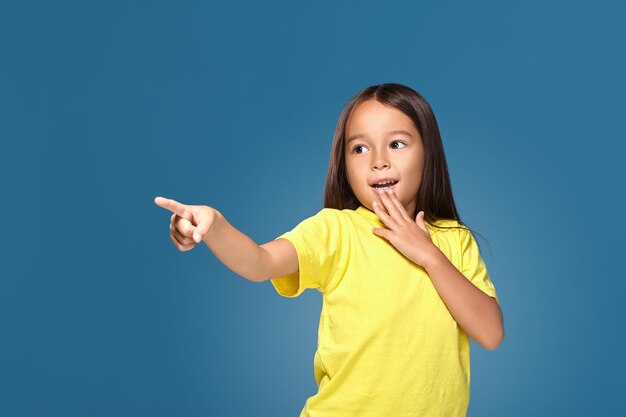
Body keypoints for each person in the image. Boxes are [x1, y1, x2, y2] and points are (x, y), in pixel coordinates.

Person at [154, 83, 504, 417]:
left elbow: (490, 333)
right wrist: (215, 226)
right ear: (344, 164)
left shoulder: (454, 240)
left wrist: (428, 254)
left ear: (429, 153)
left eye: (397, 144)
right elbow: (260, 262)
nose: (378, 161)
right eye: (360, 148)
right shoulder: (336, 231)